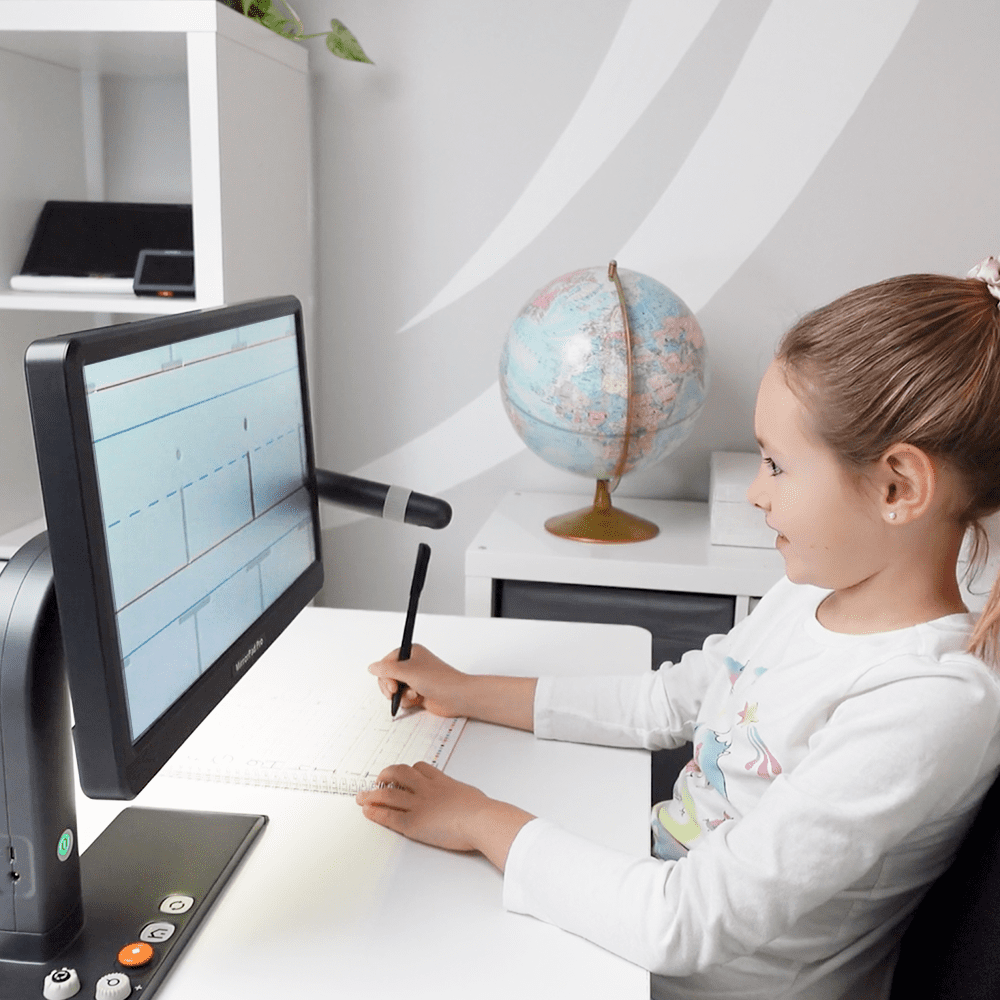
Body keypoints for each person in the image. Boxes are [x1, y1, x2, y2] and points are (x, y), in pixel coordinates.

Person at [356, 259, 1000, 1000]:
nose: (756, 493)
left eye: (777, 465)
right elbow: (670, 702)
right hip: (648, 931)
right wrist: (466, 691)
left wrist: (478, 818)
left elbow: (685, 924)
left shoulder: (927, 702)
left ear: (898, 487)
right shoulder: (816, 593)